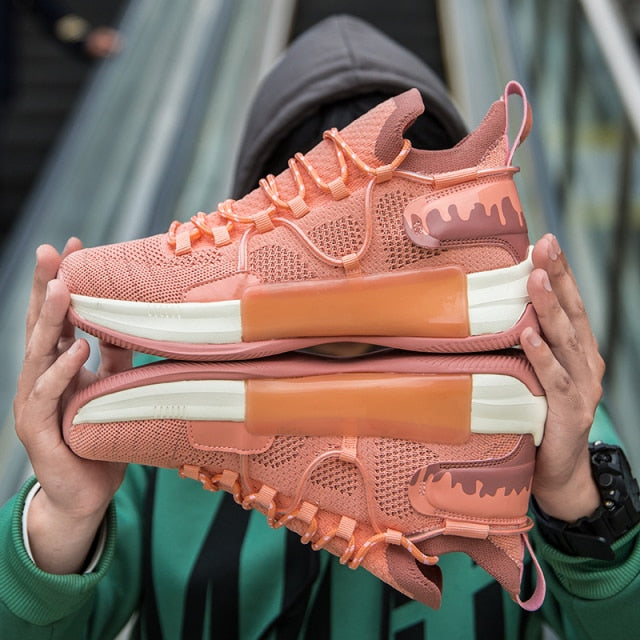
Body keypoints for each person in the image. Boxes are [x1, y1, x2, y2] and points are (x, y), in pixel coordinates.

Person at [1, 15, 639, 640]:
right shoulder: (143, 412)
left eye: (391, 243)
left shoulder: (535, 410)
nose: (352, 285)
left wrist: (574, 498)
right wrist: (64, 516)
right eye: (322, 233)